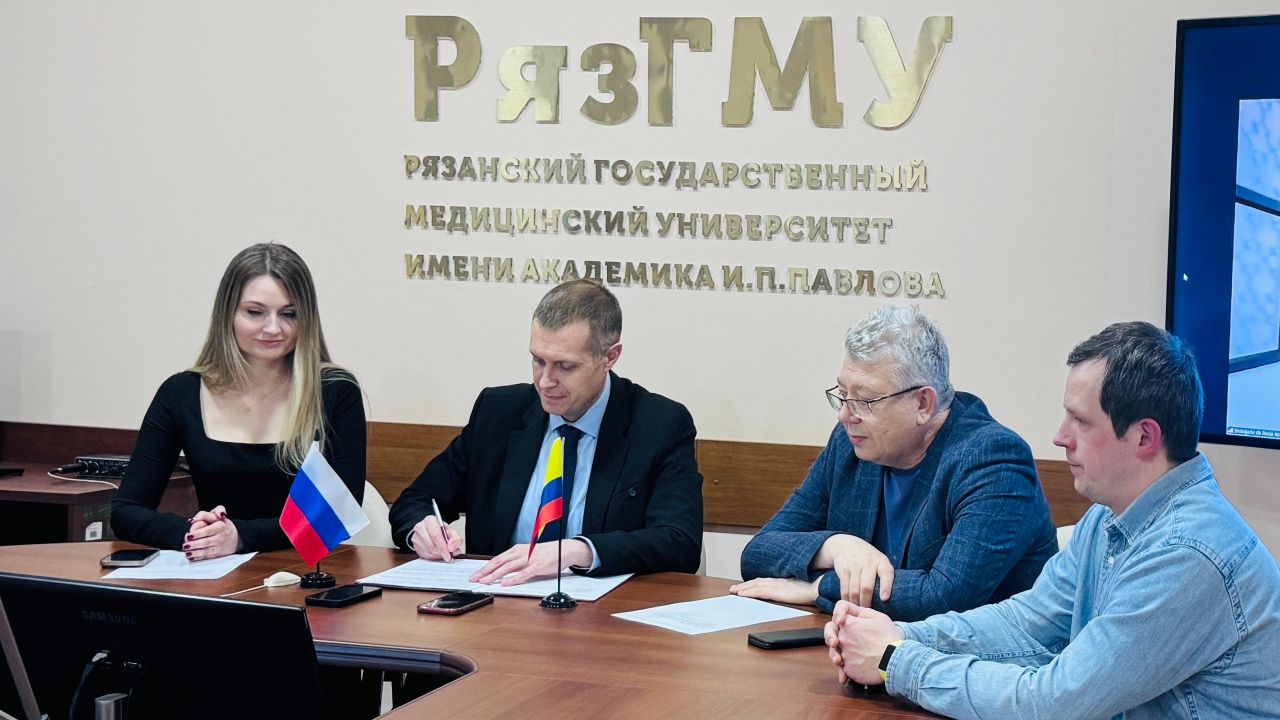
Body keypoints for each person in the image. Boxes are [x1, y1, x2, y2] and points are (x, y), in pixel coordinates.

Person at [826, 321, 1280, 719]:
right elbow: (1028, 622)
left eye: (1081, 421)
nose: (1060, 437)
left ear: (1144, 437)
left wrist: (895, 660)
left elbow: (1054, 703)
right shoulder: (1109, 516)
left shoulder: (1188, 553)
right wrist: (900, 635)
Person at [734, 305, 1056, 620]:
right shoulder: (850, 444)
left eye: (864, 400)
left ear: (923, 403)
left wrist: (818, 587)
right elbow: (758, 554)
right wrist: (836, 546)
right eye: (843, 394)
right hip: (864, 645)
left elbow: (940, 597)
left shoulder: (993, 459)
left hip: (977, 653)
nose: (844, 414)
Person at [389, 279, 703, 585]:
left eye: (565, 366)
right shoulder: (498, 413)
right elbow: (415, 501)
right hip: (498, 601)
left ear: (610, 356)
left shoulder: (658, 424)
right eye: (538, 361)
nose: (545, 381)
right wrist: (421, 528)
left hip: (605, 611)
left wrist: (579, 551)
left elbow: (679, 542)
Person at [112, 243, 366, 560]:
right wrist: (194, 534)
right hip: (213, 570)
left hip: (302, 569)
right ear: (228, 313)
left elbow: (338, 513)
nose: (273, 328)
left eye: (289, 314)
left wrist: (240, 537)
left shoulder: (335, 390)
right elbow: (126, 512)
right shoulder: (181, 392)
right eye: (255, 312)